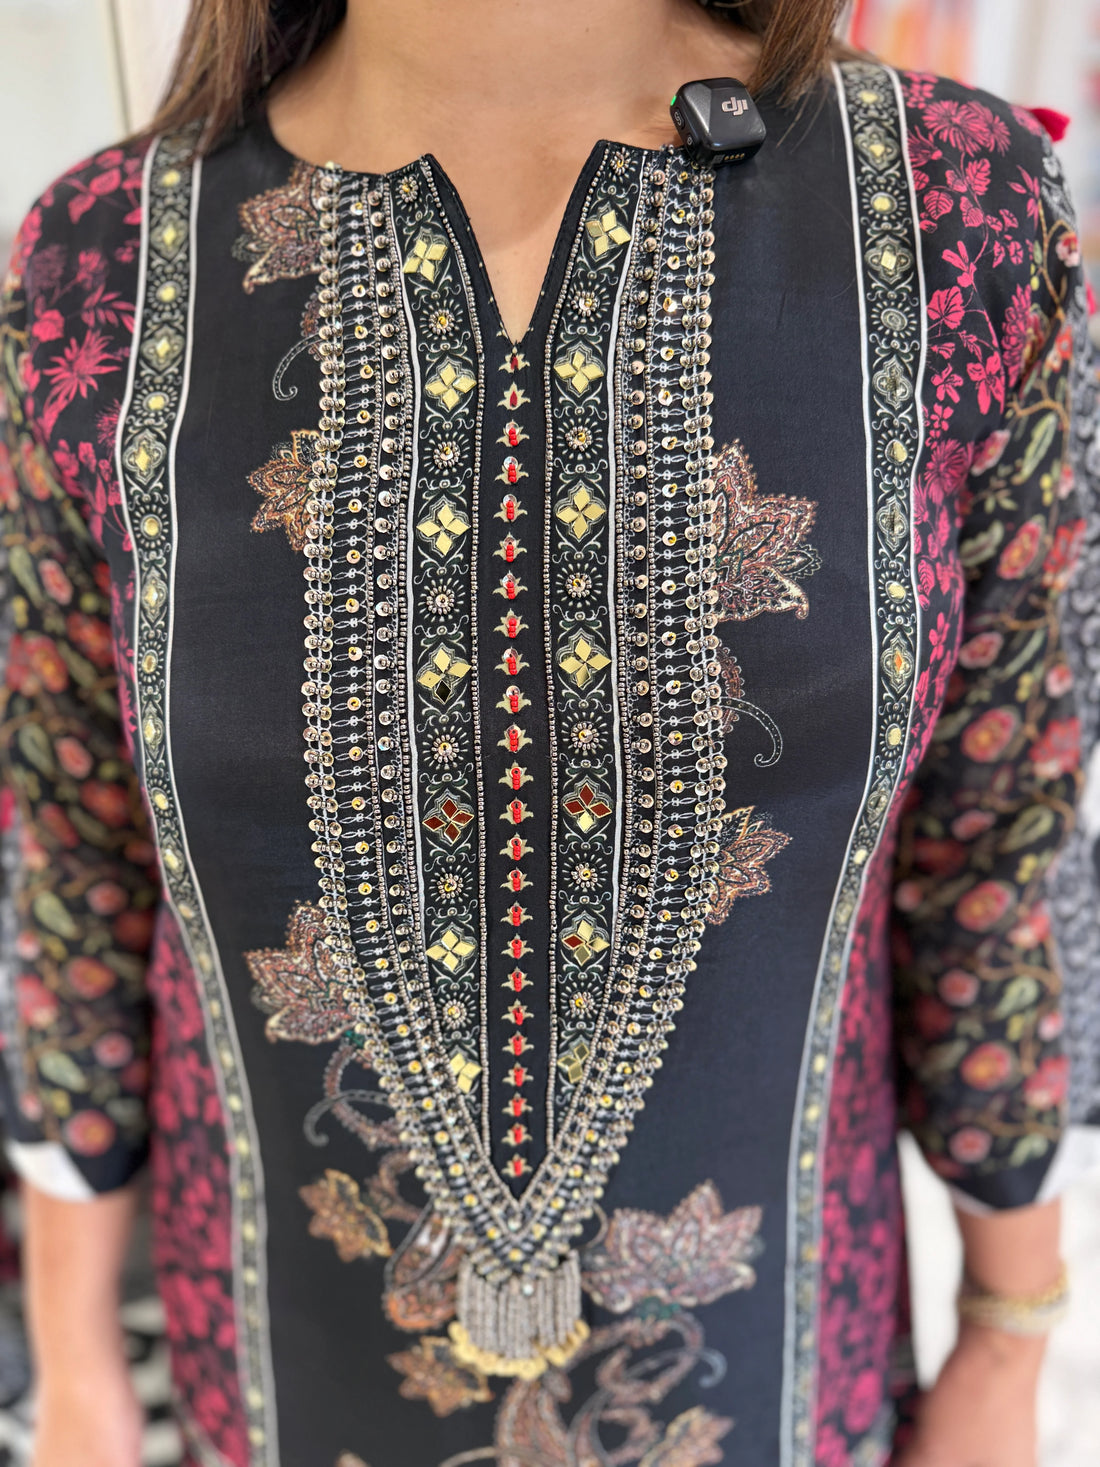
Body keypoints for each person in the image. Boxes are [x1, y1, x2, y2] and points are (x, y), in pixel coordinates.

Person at [0, 1, 1096, 1464]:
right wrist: (74, 1362)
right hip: (275, 1380)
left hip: (783, 1387)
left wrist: (1008, 1339)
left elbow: (1006, 824)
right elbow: (66, 851)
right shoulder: (105, 267)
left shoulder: (952, 212)